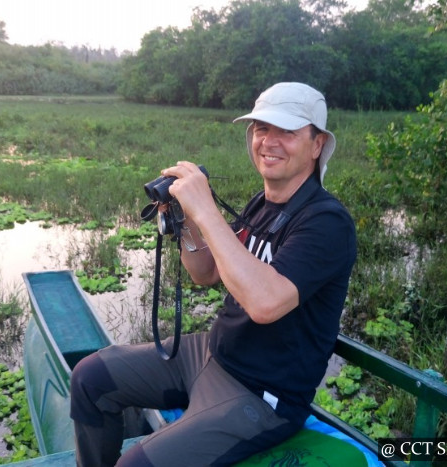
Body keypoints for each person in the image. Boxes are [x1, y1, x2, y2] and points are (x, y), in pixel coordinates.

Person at [70, 82, 357, 466]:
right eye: (261, 129)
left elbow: (264, 302)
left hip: (261, 393)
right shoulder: (261, 202)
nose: (269, 141)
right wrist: (183, 219)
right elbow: (204, 272)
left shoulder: (326, 222)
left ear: (317, 144)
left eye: (287, 131)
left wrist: (206, 208)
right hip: (211, 353)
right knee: (91, 377)